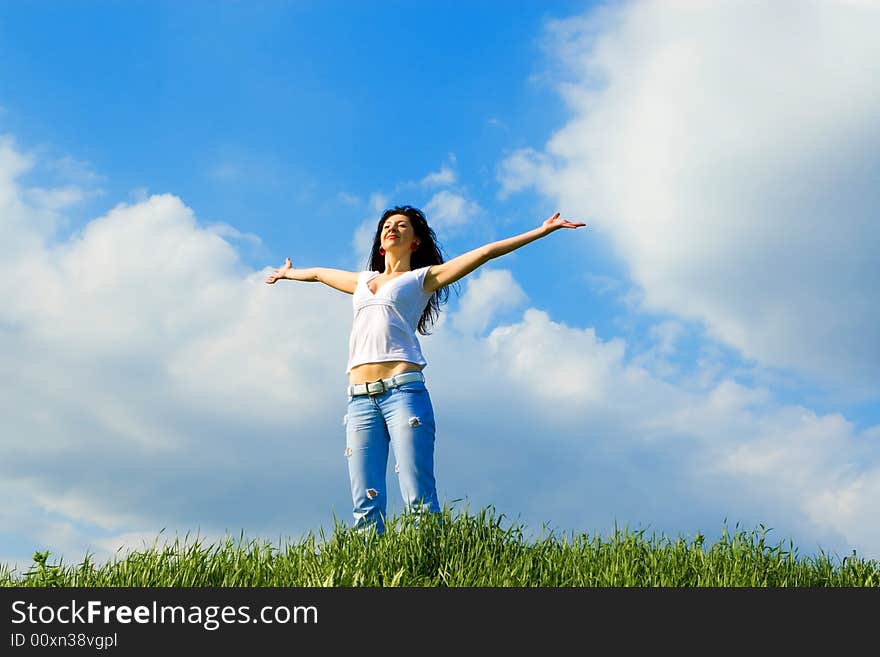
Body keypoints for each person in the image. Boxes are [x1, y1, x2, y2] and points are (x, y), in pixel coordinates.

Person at [265, 205, 586, 534]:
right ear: (380, 243)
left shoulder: (422, 278)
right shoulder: (362, 281)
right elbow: (318, 274)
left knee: (417, 497)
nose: (392, 229)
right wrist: (289, 273)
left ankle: (426, 566)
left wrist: (541, 231)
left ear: (415, 241)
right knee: (365, 502)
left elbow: (487, 252)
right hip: (358, 400)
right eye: (387, 225)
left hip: (403, 393)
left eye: (402, 226)